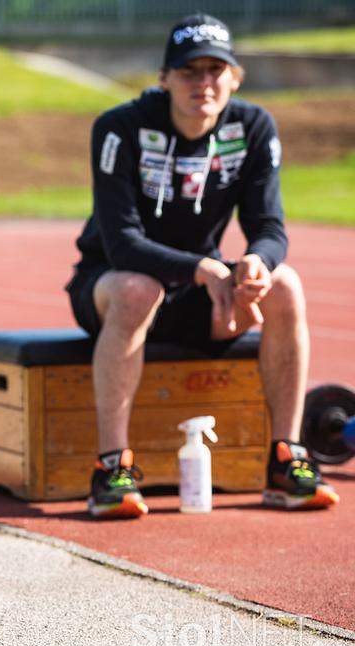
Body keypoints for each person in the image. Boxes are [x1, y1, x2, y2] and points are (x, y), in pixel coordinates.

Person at [65, 13, 339, 519]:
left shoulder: (252, 127)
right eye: (190, 71)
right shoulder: (120, 128)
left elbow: (271, 228)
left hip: (196, 290)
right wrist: (205, 269)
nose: (203, 83)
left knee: (284, 284)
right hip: (110, 285)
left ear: (234, 78)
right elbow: (122, 244)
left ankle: (286, 459)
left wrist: (254, 263)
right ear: (165, 78)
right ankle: (111, 470)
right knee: (137, 288)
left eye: (216, 70)